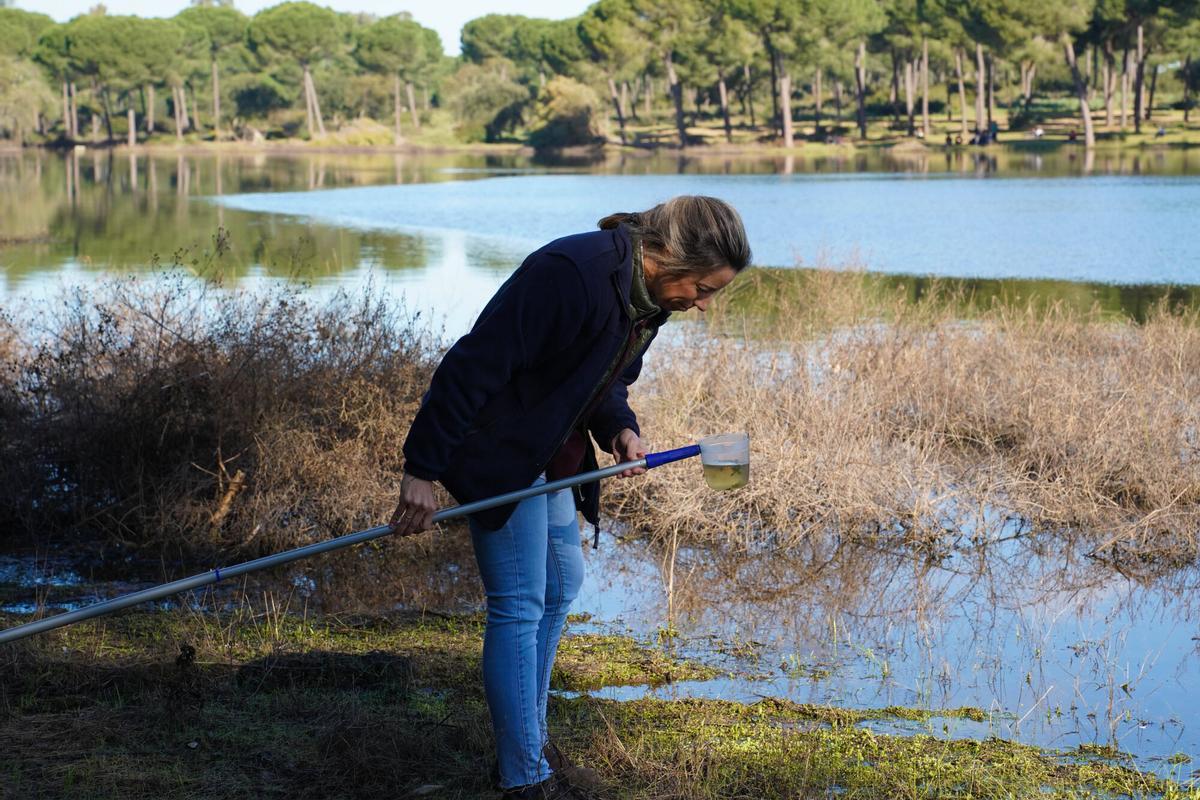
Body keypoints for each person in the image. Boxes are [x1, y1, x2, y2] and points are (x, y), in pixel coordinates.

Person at [389, 196, 752, 799]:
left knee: (561, 587)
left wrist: (620, 430)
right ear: (669, 256)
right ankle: (524, 777)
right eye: (704, 287)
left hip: (554, 454)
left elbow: (608, 378)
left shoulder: (647, 297)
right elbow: (471, 365)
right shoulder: (572, 274)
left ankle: (526, 740)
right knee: (519, 604)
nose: (705, 305)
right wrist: (421, 468)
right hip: (502, 453)